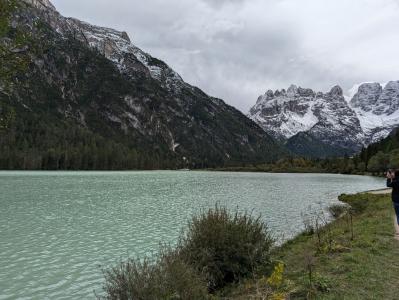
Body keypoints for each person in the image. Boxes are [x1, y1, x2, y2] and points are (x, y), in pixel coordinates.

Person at [386, 169, 399, 237]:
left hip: (397, 201)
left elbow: (388, 185)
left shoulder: (395, 182)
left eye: (393, 173)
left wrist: (389, 177)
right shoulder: (395, 180)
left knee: (398, 215)